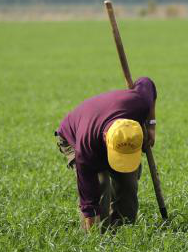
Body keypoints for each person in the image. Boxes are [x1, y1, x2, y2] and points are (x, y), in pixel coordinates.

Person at [54, 77, 157, 231]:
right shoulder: (86, 147)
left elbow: (146, 82)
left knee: (128, 182)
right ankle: (99, 235)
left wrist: (151, 125)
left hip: (102, 125)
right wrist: (93, 236)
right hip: (74, 135)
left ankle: (123, 233)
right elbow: (88, 197)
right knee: (100, 184)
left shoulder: (140, 102)